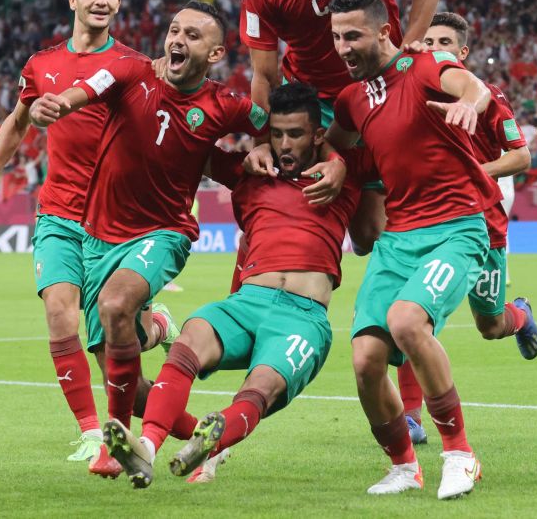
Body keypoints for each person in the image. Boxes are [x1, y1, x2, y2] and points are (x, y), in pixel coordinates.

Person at [30, 1, 315, 458]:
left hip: (164, 232)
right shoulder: (129, 71)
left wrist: (269, 147)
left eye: (193, 35)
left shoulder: (222, 104)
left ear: (216, 53)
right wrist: (60, 104)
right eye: (175, 30)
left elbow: (275, 126)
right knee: (116, 368)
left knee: (115, 302)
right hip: (99, 237)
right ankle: (200, 436)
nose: (179, 40)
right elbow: (87, 87)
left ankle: (113, 444)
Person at [0, 0, 178, 475]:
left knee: (112, 338)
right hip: (58, 211)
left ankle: (158, 327)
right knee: (59, 310)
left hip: (113, 219)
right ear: (73, 0)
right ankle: (89, 432)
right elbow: (15, 124)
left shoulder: (133, 65)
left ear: (119, 5)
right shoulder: (41, 63)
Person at [101, 83, 372, 488]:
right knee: (190, 336)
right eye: (276, 133)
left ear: (317, 135)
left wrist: (339, 161)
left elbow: (398, 146)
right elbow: (184, 145)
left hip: (302, 317)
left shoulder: (342, 176)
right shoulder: (251, 172)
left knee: (259, 386)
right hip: (246, 303)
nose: (284, 144)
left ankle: (213, 441)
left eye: (295, 134)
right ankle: (147, 447)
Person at [324, 0, 500, 500]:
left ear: (384, 31)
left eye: (352, 35)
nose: (342, 47)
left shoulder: (425, 66)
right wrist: (336, 166)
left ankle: (460, 455)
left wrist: (469, 104)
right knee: (364, 360)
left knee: (406, 322)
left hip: (456, 228)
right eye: (336, 37)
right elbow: (338, 143)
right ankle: (404, 466)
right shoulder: (351, 99)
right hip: (397, 239)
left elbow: (472, 87)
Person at [241, 0, 441, 254]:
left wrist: (404, 58)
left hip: (379, 88)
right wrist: (262, 139)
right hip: (318, 102)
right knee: (300, 213)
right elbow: (264, 75)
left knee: (373, 232)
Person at [391, 13, 537, 443]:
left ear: (462, 53)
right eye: (429, 39)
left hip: (482, 225)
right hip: (426, 223)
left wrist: (475, 170)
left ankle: (521, 315)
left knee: (490, 325)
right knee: (413, 317)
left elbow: (521, 157)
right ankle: (411, 417)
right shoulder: (408, 92)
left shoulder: (488, 99)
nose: (435, 46)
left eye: (445, 42)